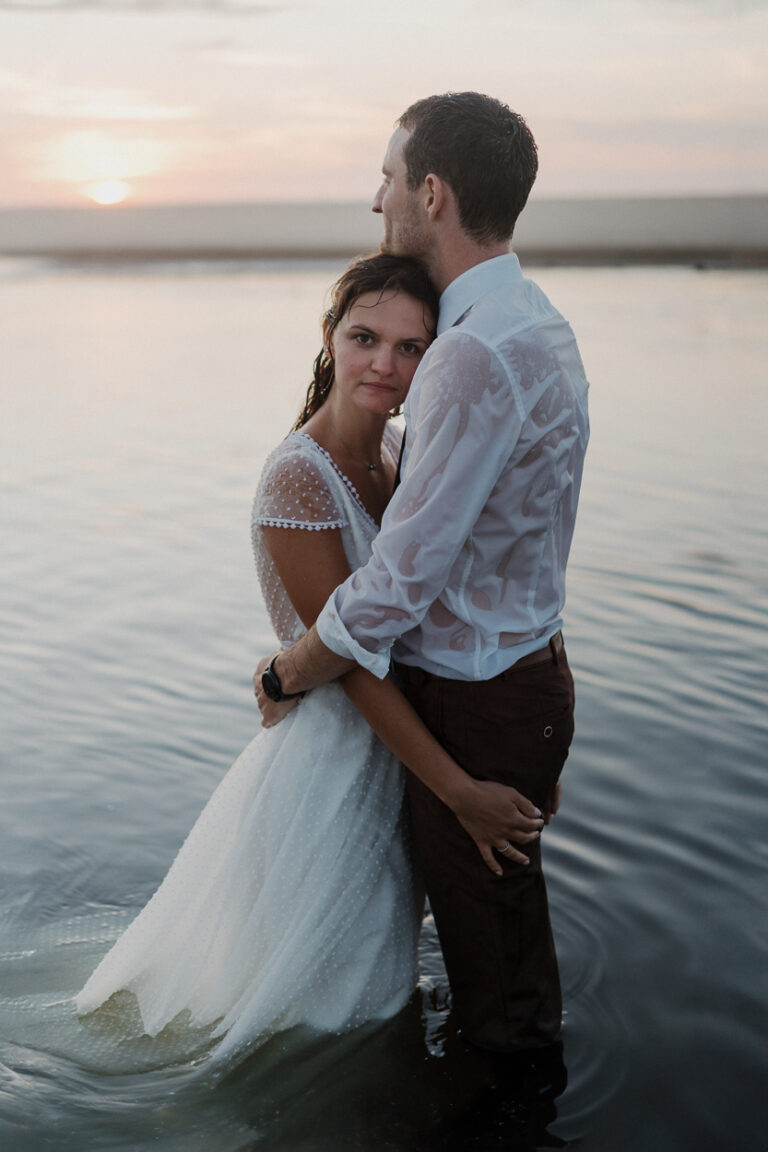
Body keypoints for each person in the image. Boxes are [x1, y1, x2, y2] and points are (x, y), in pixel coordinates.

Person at [74, 253, 544, 1066]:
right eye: (365, 338)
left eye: (410, 349)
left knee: (367, 993)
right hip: (329, 776)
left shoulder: (400, 452)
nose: (384, 365)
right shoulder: (299, 478)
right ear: (329, 336)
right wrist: (461, 792)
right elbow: (354, 664)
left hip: (393, 764)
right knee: (316, 1022)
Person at [255, 93, 591, 1054]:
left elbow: (398, 584)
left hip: (484, 700)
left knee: (497, 998)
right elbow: (530, 543)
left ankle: (499, 1113)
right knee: (509, 956)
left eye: (390, 178)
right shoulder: (537, 323)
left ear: (431, 192)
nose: (378, 199)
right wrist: (546, 706)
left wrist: (288, 671)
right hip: (521, 680)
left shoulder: (471, 355)